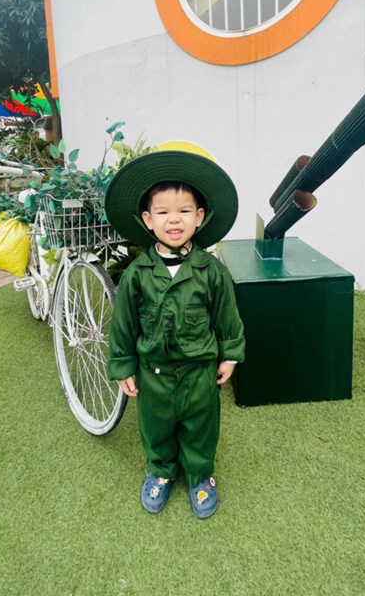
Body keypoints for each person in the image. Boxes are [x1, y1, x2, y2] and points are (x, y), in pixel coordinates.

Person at [105, 150, 245, 519]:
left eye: (184, 210)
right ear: (148, 220)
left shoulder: (211, 271)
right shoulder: (137, 274)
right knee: (156, 425)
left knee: (201, 426)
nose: (174, 219)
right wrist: (122, 365)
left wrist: (230, 355)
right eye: (163, 212)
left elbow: (227, 316)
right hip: (154, 374)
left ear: (199, 217)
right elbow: (123, 324)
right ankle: (161, 471)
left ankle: (200, 475)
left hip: (200, 372)